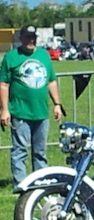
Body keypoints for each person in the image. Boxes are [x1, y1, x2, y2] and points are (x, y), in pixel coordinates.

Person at [0, 24, 63, 188]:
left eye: (33, 37)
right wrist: (5, 110)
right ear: (20, 38)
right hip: (20, 112)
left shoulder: (44, 55)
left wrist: (57, 104)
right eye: (27, 37)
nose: (31, 40)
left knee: (40, 151)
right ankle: (21, 184)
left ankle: (40, 182)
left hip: (41, 112)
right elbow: (4, 84)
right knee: (19, 150)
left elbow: (51, 80)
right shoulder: (11, 57)